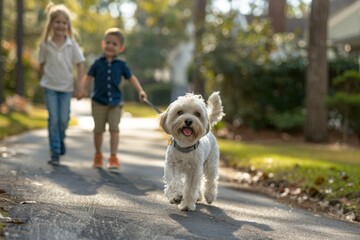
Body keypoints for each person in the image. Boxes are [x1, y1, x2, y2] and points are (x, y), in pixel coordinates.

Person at [76, 27, 147, 169]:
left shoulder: (121, 65)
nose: (110, 46)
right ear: (103, 44)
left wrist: (140, 91)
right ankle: (98, 155)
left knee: (114, 129)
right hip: (98, 102)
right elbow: (88, 78)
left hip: (115, 103)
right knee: (98, 130)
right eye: (108, 42)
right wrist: (81, 90)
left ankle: (113, 156)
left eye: (114, 44)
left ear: (120, 48)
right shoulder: (97, 63)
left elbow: (131, 78)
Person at [38, 3, 85, 166]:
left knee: (64, 120)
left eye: (64, 22)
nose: (61, 25)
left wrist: (80, 85)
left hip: (66, 88)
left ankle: (61, 139)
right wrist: (43, 78)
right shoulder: (45, 44)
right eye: (57, 22)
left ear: (68, 25)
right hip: (50, 87)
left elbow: (80, 65)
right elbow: (41, 64)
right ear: (51, 24)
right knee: (53, 119)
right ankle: (55, 151)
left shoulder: (72, 45)